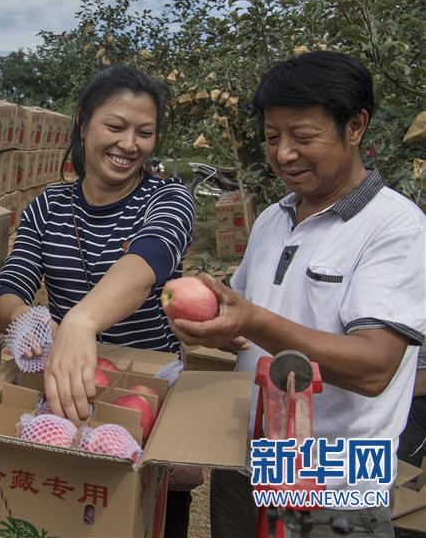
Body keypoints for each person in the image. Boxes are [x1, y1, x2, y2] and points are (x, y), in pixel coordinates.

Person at [168, 51, 425, 537]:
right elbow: (245, 325)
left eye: (303, 136)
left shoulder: (396, 228)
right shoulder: (273, 218)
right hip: (250, 453)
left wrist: (250, 321)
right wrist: (215, 328)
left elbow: (374, 368)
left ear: (355, 127)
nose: (283, 153)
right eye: (272, 137)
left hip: (336, 472)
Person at [0, 64, 198, 538]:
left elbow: (150, 260)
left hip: (146, 393)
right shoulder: (48, 207)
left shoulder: (169, 199)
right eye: (116, 126)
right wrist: (28, 319)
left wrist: (80, 323)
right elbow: (6, 287)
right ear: (83, 123)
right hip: (67, 394)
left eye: (145, 133)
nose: (130, 145)